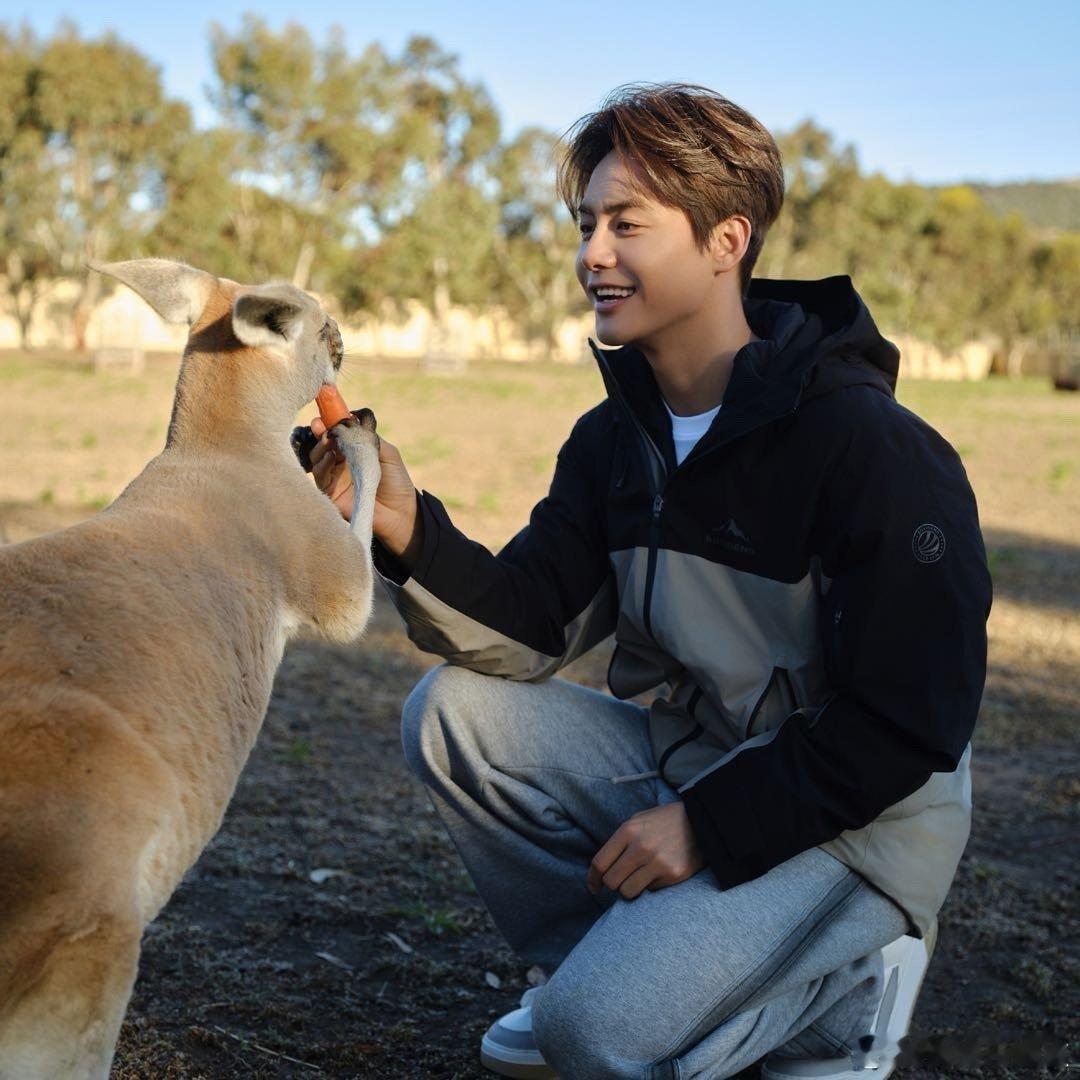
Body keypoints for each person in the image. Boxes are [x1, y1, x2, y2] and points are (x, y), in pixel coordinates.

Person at [308, 83, 991, 1080]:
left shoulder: (869, 448)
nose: (591, 253)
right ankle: (611, 969)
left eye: (627, 223)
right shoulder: (614, 442)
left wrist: (707, 827)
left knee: (597, 1036)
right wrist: (406, 527)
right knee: (452, 713)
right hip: (706, 757)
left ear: (726, 240)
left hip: (863, 828)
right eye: (587, 223)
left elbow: (912, 721)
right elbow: (533, 625)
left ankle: (843, 1000)